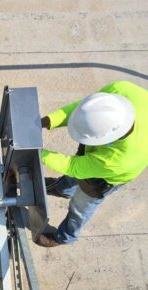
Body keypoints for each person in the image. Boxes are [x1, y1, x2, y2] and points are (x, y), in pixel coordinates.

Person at [37, 80, 148, 247]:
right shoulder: (121, 90)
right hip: (99, 155)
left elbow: (72, 166)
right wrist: (50, 120)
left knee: (80, 207)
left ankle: (65, 236)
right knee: (76, 173)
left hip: (105, 178)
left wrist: (34, 151)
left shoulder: (120, 159)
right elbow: (82, 110)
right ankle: (62, 189)